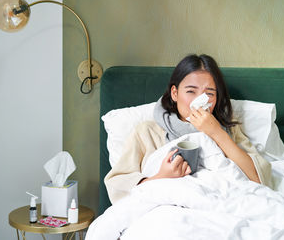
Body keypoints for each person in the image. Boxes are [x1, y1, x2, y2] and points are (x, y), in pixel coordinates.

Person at [105, 54, 272, 204]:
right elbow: (117, 185)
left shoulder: (228, 129)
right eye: (191, 91)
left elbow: (258, 178)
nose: (200, 100)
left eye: (209, 94)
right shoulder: (147, 132)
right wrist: (160, 177)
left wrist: (216, 133)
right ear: (175, 93)